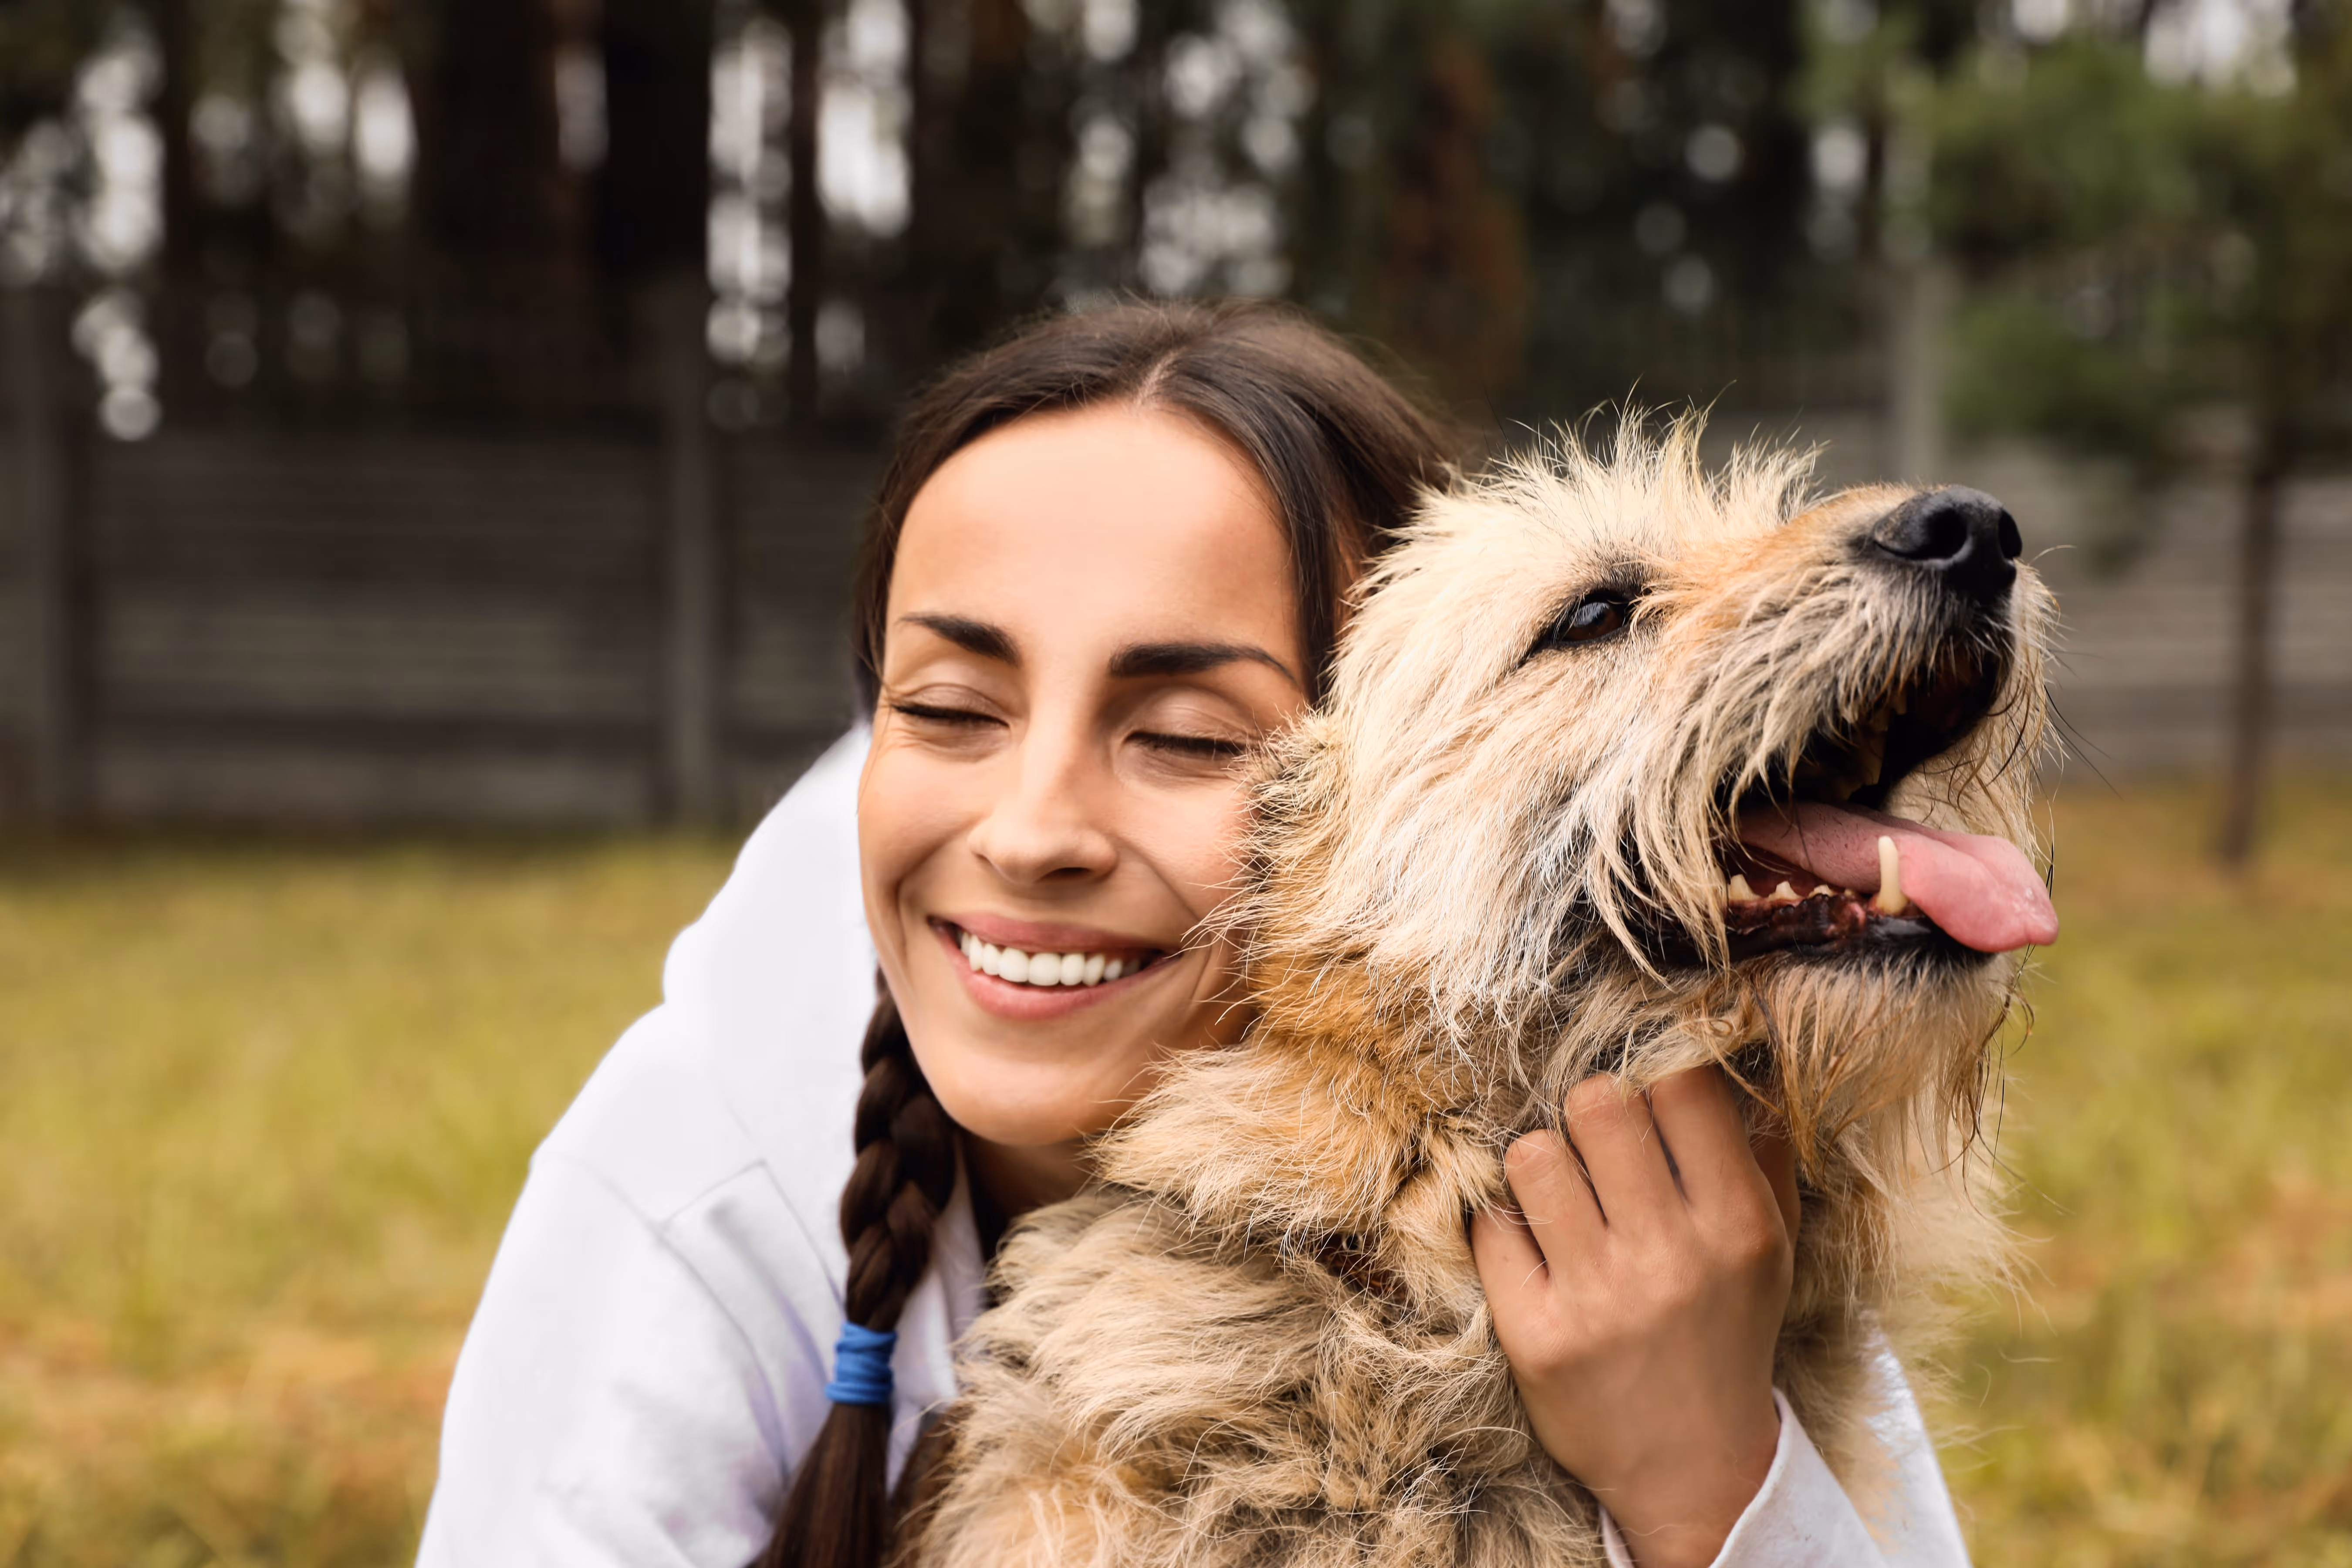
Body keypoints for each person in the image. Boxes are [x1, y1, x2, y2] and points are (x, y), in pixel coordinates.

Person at [418, 299, 1970, 1568]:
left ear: (1353, 781)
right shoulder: (703, 1173)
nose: (1031, 833)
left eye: (1189, 736)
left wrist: (1711, 1479)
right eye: (949, 709)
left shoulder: (1683, 1175)